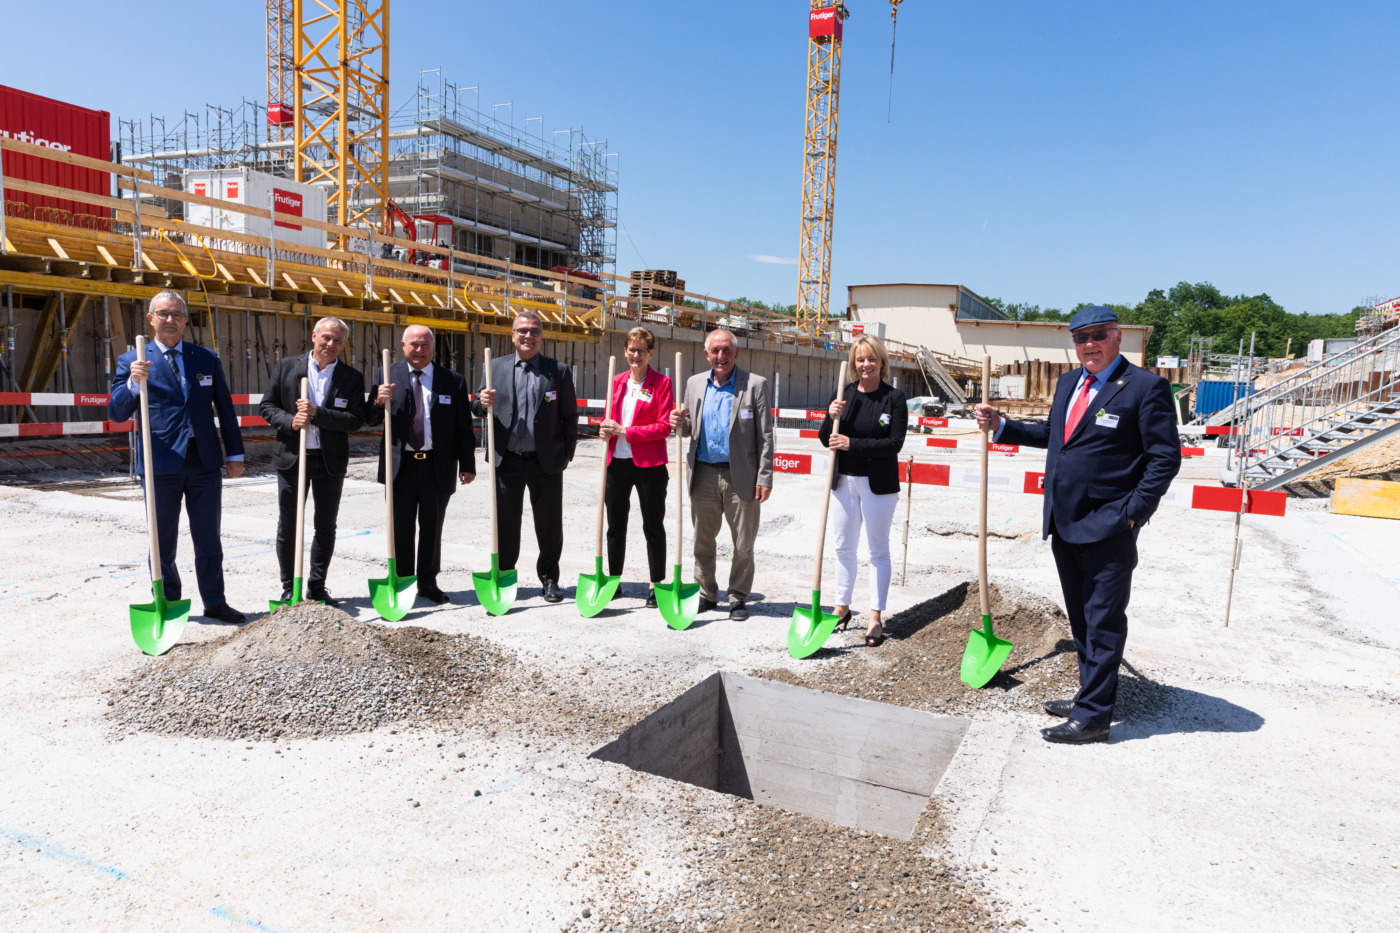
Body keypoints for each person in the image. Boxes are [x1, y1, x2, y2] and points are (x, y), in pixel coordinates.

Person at [975, 305, 1181, 745]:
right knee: (1082, 620)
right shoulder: (1069, 383)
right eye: (1080, 338)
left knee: (1103, 619)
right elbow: (1056, 435)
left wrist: (1133, 512)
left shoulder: (1146, 388)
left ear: (1117, 336)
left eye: (1098, 335)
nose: (1089, 345)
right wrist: (1002, 425)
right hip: (1065, 521)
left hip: (1110, 525)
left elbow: (1165, 458)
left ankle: (1093, 719)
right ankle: (1093, 693)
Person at [109, 290, 247, 623]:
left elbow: (226, 410)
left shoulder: (206, 357)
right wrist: (132, 385)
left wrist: (235, 453)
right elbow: (116, 412)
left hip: (204, 461)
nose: (170, 320)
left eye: (176, 314)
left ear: (186, 320)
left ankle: (214, 601)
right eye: (163, 313)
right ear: (151, 319)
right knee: (162, 539)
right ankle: (168, 602)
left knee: (208, 537)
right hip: (161, 462)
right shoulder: (132, 361)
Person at [365, 325, 477, 605]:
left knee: (432, 527)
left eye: (425, 345)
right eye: (414, 344)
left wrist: (468, 464)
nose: (419, 350)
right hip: (399, 465)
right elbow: (369, 417)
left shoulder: (452, 380)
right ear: (403, 346)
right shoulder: (386, 375)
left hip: (436, 465)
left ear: (433, 347)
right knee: (400, 526)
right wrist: (379, 402)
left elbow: (464, 427)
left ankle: (427, 581)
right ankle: (402, 580)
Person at [472, 311, 579, 603]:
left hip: (546, 462)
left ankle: (549, 579)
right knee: (506, 523)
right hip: (507, 460)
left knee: (549, 524)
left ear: (541, 336)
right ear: (512, 335)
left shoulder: (557, 370)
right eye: (522, 331)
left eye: (534, 331)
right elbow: (477, 406)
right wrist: (481, 403)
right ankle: (505, 576)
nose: (528, 336)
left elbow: (570, 416)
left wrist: (567, 453)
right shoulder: (495, 367)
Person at [259, 317, 366, 606]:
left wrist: (318, 413)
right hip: (293, 458)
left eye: (338, 341)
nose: (330, 344)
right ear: (314, 336)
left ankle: (317, 585)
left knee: (325, 525)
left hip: (329, 462)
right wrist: (291, 421)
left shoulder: (351, 377)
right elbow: (267, 406)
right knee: (289, 525)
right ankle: (288, 586)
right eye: (326, 338)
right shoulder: (287, 367)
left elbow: (355, 420)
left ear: (344, 344)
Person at [668, 329, 775, 621]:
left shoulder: (755, 385)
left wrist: (764, 477)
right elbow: (688, 427)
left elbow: (766, 437)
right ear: (706, 354)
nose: (721, 356)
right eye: (715, 351)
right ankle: (706, 593)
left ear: (736, 352)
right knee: (703, 540)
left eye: (726, 350)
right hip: (702, 473)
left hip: (741, 475)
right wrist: (677, 421)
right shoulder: (693, 384)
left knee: (743, 543)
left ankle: (738, 597)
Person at [818, 336, 908, 647]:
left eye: (871, 359)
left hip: (878, 485)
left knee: (877, 550)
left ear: (881, 362)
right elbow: (824, 438)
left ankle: (874, 616)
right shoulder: (844, 394)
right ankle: (841, 608)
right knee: (843, 547)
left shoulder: (894, 398)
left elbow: (894, 443)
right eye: (859, 359)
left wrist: (852, 443)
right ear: (854, 363)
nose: (865, 364)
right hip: (844, 480)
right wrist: (830, 417)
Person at [598, 327, 674, 608]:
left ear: (650, 353)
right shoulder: (615, 381)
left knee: (653, 525)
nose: (636, 355)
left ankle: (656, 584)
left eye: (642, 350)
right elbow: (609, 421)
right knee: (615, 526)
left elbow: (664, 426)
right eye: (632, 349)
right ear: (625, 351)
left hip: (649, 465)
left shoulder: (662, 383)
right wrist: (605, 430)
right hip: (616, 463)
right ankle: (614, 580)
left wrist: (625, 431)